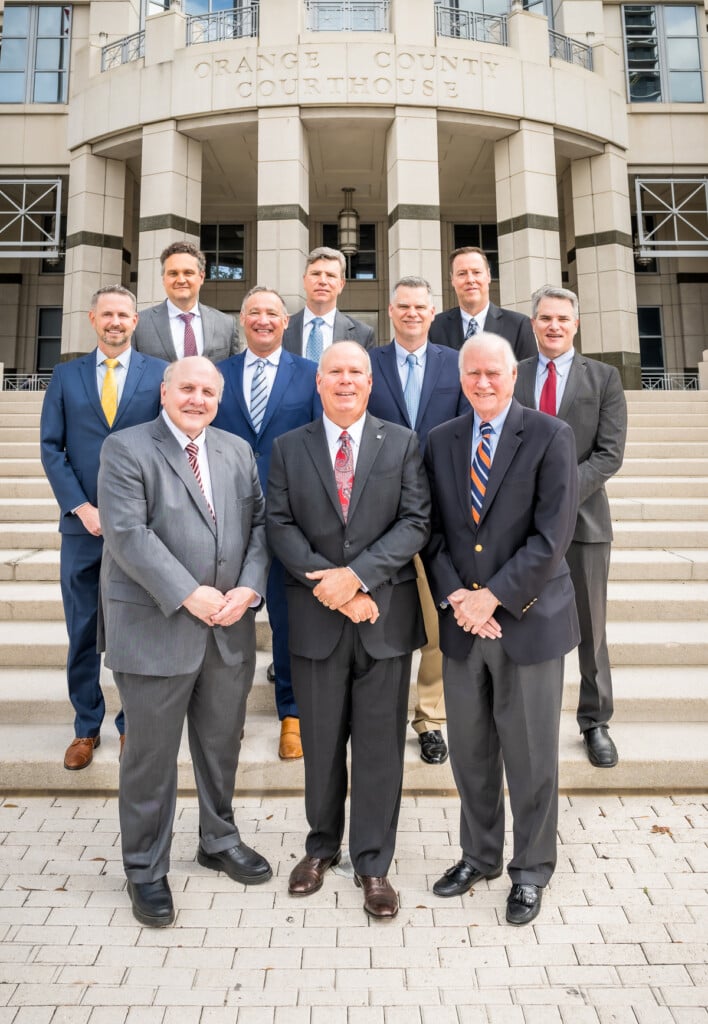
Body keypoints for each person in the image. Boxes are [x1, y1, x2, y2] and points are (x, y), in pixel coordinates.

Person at [97, 356, 271, 928]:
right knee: (150, 757)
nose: (197, 398)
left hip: (228, 626)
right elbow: (127, 534)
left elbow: (260, 527)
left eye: (208, 391)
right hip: (156, 626)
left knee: (221, 747)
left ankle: (217, 840)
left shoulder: (235, 449)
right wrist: (188, 593)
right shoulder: (126, 448)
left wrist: (248, 588)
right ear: (165, 392)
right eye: (187, 388)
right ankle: (145, 867)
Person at [266, 341, 430, 919]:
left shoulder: (403, 442)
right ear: (319, 382)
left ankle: (373, 862)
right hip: (315, 621)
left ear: (369, 382)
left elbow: (416, 522)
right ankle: (320, 848)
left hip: (384, 619)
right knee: (322, 744)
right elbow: (279, 526)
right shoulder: (289, 448)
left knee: (382, 747)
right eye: (334, 371)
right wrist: (329, 587)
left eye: (355, 372)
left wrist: (357, 580)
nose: (344, 381)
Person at [423, 332, 579, 925]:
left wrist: (494, 597)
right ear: (460, 378)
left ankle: (531, 869)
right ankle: (479, 855)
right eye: (472, 375)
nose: (483, 383)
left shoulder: (550, 436)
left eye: (493, 373)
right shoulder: (440, 440)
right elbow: (432, 531)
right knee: (471, 751)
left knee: (532, 754)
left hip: (528, 622)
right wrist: (460, 598)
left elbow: (552, 536)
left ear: (513, 377)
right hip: (464, 623)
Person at [40, 285, 166, 771]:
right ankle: (85, 727)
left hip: (141, 529)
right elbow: (52, 448)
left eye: (124, 315)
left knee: (135, 630)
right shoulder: (66, 376)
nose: (116, 322)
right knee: (84, 629)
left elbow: (164, 446)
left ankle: (132, 723)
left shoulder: (157, 375)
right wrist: (80, 507)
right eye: (107, 314)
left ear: (136, 321)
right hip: (83, 530)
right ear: (93, 318)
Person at [515, 284, 627, 768]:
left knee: (590, 627)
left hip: (583, 523)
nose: (554, 326)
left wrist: (558, 495)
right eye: (545, 318)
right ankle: (522, 720)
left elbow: (609, 454)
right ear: (534, 323)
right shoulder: (513, 375)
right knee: (522, 623)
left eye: (562, 318)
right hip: (517, 527)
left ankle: (595, 721)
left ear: (575, 323)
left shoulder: (603, 378)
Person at [214, 286, 321, 760]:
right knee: (230, 623)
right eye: (254, 312)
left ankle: (292, 716)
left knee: (288, 620)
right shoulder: (218, 375)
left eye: (272, 313)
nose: (263, 320)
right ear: (242, 319)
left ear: (286, 322)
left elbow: (319, 444)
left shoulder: (311, 375)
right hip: (226, 518)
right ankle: (225, 716)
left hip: (287, 517)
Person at [368, 276, 469, 766]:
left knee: (435, 620)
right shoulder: (369, 363)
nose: (412, 313)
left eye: (420, 307)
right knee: (380, 620)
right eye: (403, 306)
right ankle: (376, 716)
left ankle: (430, 718)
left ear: (433, 313)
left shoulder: (456, 364)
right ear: (391, 311)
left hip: (440, 512)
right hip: (377, 513)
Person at [132, 241, 239, 362]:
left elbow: (233, 372)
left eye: (188, 273)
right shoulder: (138, 324)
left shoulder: (226, 324)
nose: (181, 280)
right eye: (173, 273)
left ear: (202, 277)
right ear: (164, 279)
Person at [429, 246, 537, 362]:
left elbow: (528, 376)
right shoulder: (434, 327)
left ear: (488, 276)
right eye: (462, 274)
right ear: (452, 280)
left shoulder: (518, 325)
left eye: (476, 272)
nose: (470, 280)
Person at [282, 246, 375, 359]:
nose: (322, 281)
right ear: (304, 281)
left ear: (341, 284)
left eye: (330, 275)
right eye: (316, 274)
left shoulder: (363, 334)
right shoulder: (281, 328)